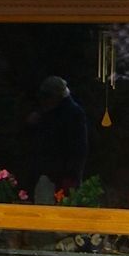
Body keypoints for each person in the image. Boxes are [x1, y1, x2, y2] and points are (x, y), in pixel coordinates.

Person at [24, 75, 89, 203]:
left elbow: (78, 149)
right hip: (47, 172)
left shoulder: (72, 114)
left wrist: (71, 175)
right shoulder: (49, 112)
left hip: (61, 175)